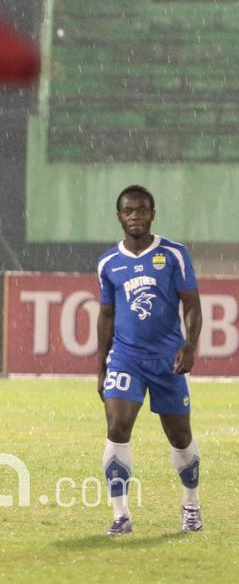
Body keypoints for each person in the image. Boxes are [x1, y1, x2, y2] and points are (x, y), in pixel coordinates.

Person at [96, 185, 203, 535]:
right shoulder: (108, 263)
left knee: (180, 436)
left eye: (142, 210)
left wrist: (190, 346)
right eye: (129, 211)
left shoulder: (173, 254)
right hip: (126, 358)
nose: (135, 216)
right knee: (116, 427)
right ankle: (120, 515)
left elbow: (192, 303)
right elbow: (107, 316)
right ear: (119, 217)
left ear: (152, 214)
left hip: (167, 359)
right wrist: (102, 367)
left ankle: (191, 505)